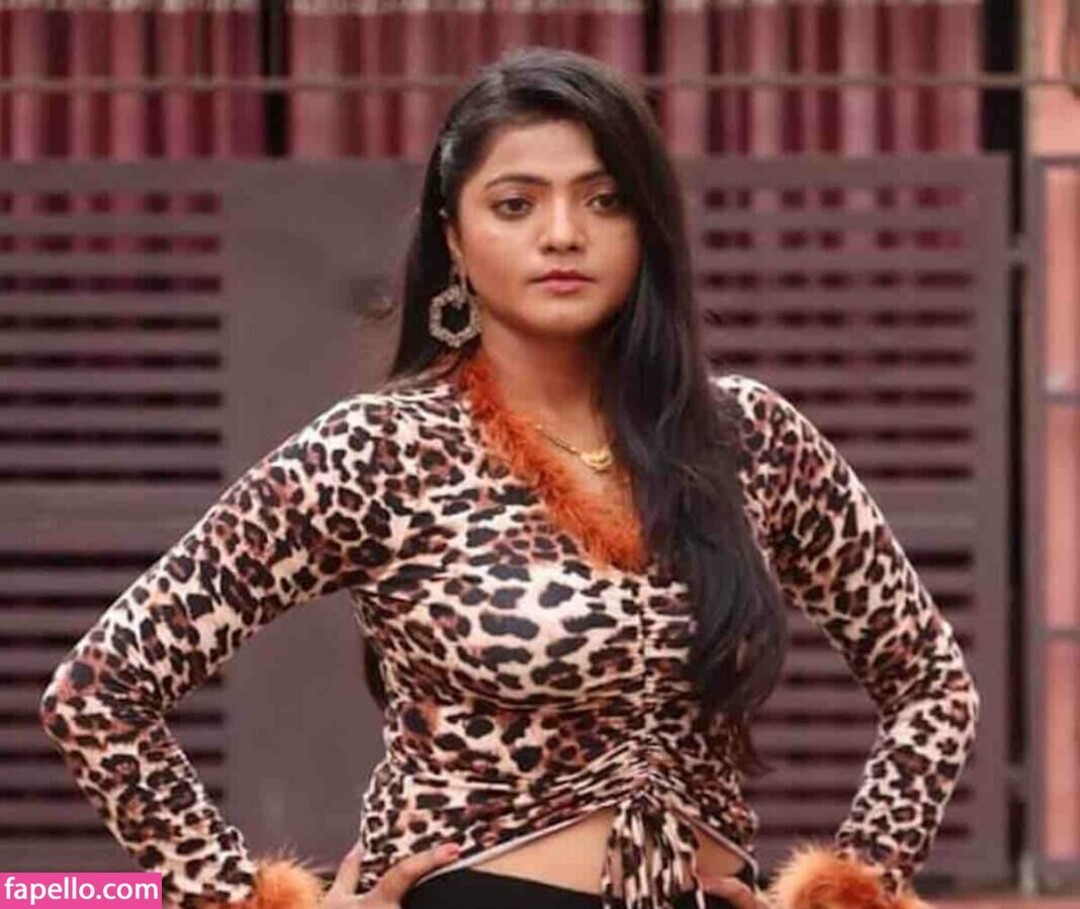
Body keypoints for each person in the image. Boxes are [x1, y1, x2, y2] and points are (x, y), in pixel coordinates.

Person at [38, 46, 979, 909]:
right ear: (453, 236)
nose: (563, 234)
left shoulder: (748, 438)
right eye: (516, 203)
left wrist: (850, 887)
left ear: (648, 227)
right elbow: (99, 691)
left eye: (604, 200)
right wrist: (241, 896)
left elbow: (931, 681)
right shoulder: (381, 451)